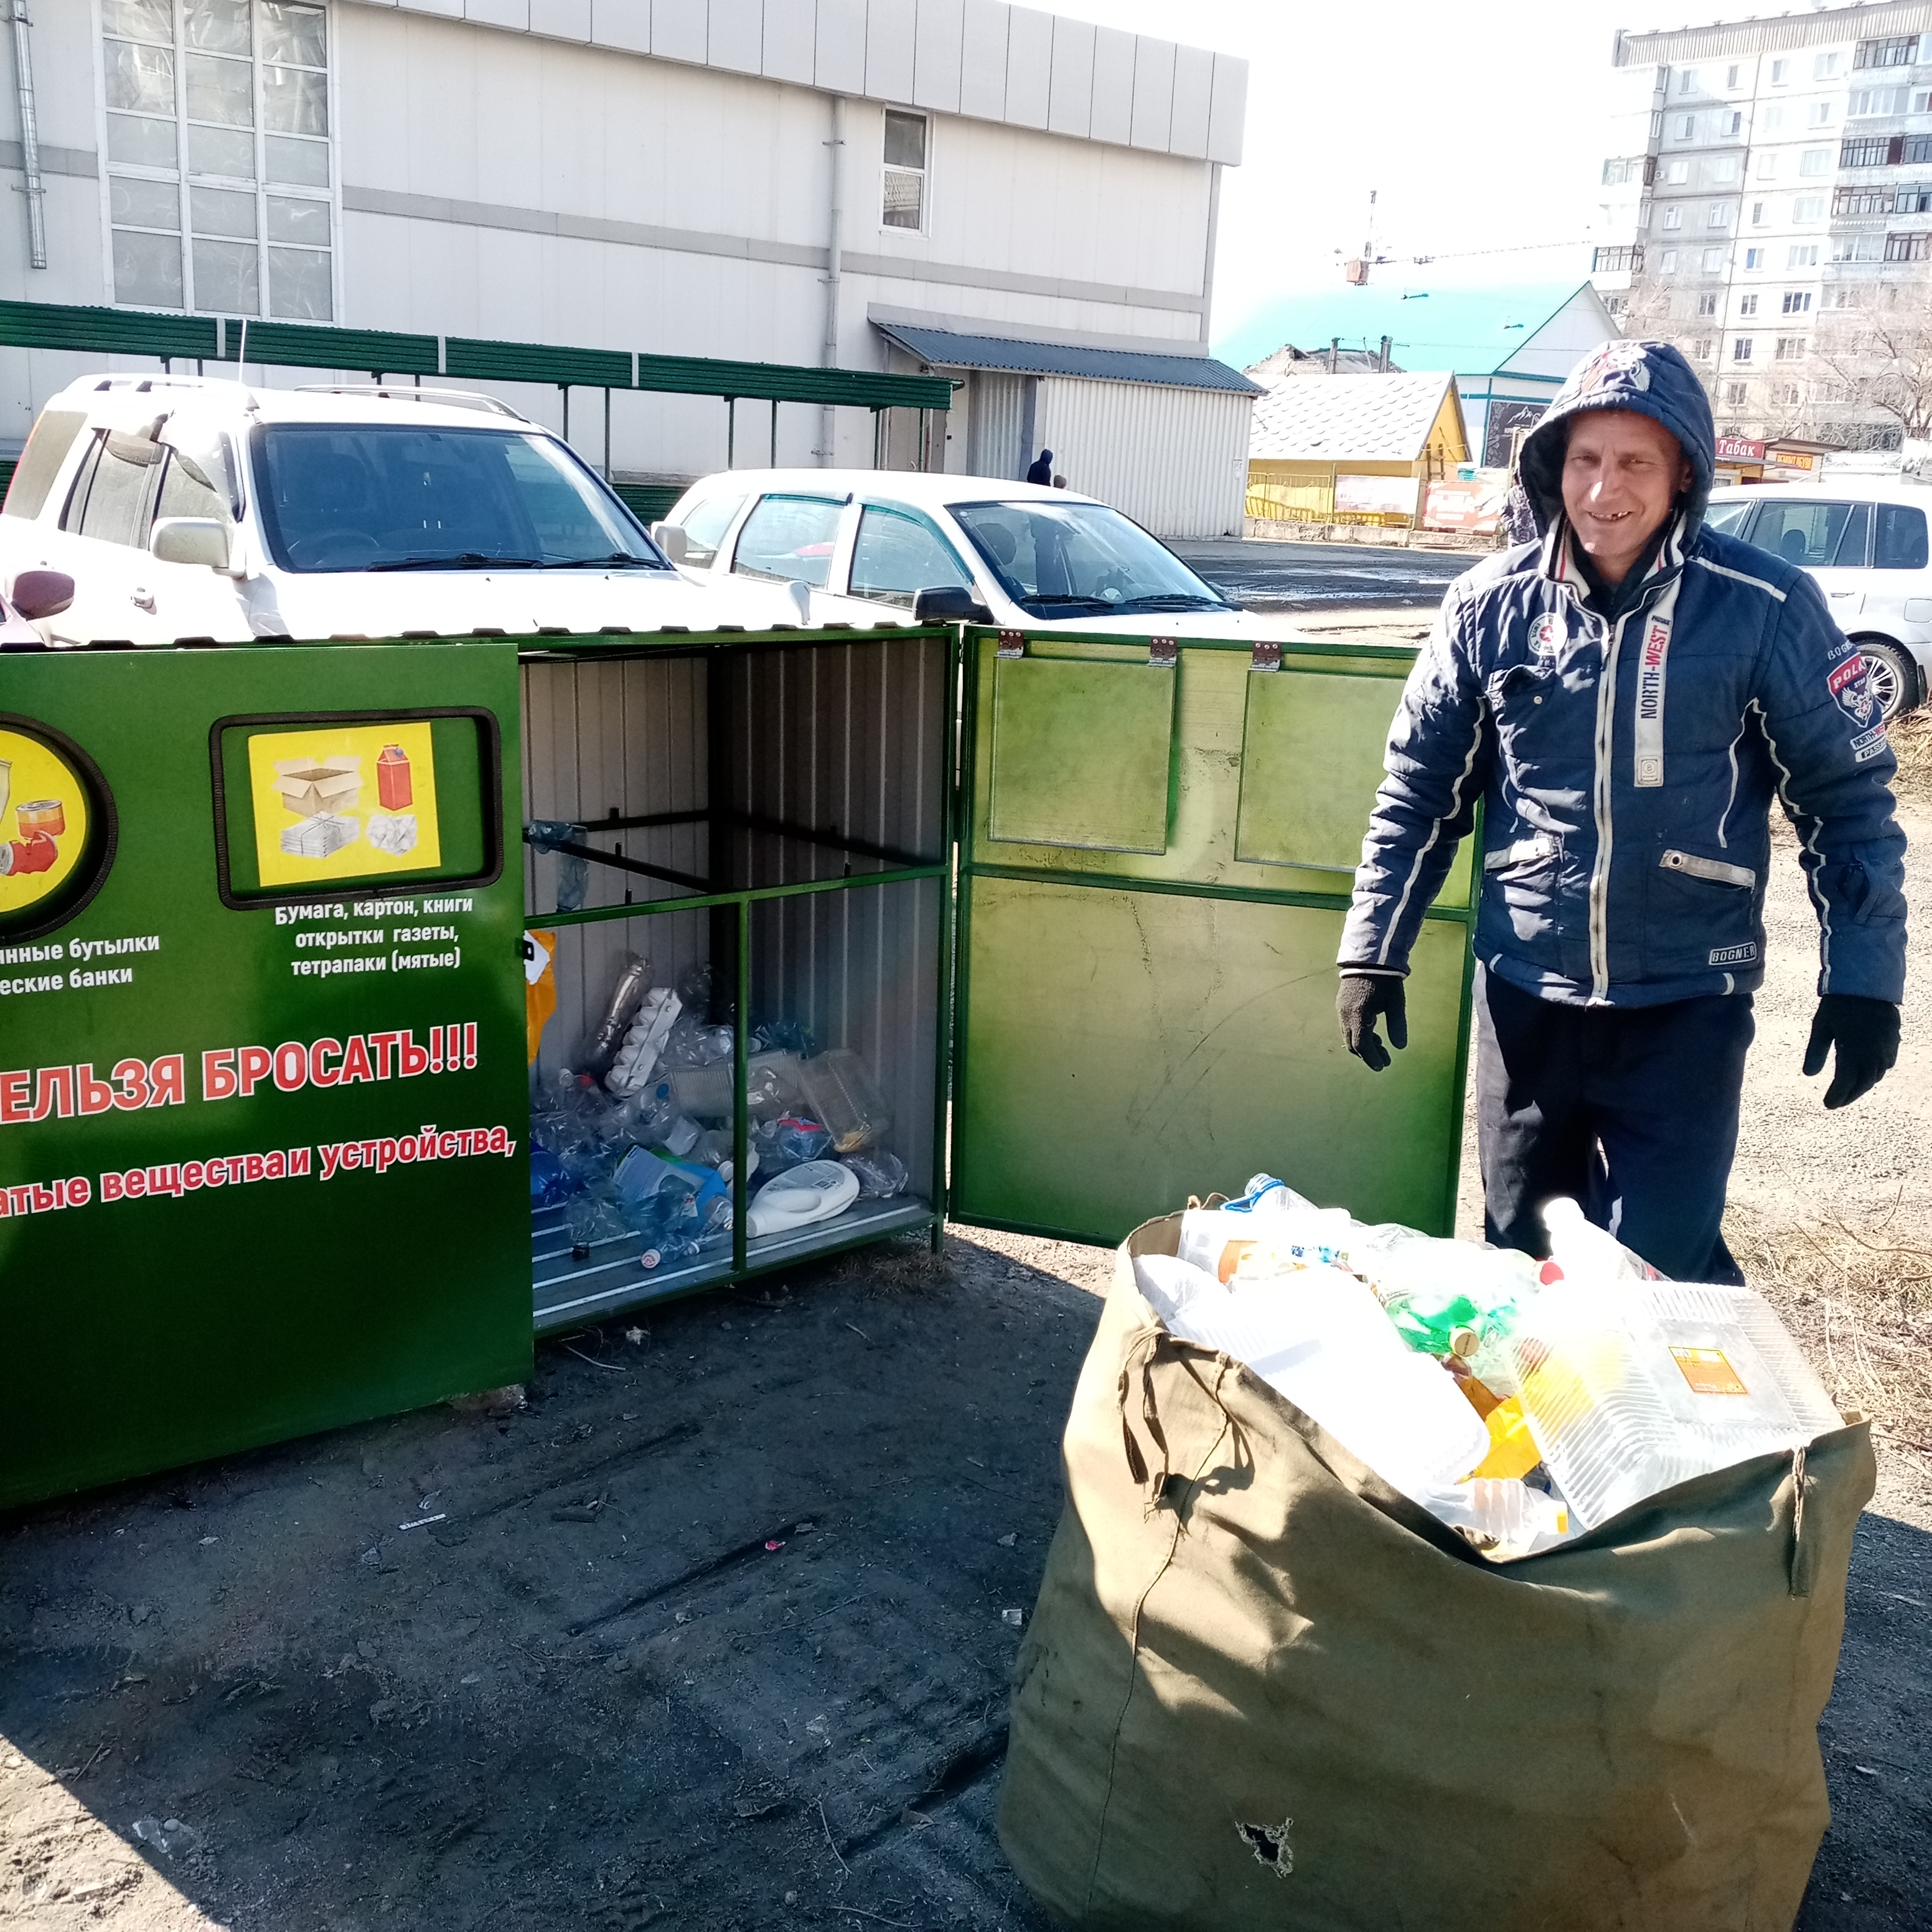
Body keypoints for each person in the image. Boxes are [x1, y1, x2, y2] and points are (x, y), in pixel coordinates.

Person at [1334, 338, 1906, 1282]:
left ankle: (1676, 1421)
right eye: (1586, 460)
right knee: (1523, 1263)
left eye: (1636, 461)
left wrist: (1864, 979)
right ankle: (1547, 1435)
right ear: (1553, 467)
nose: (1606, 490)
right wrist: (1372, 949)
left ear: (1684, 472)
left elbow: (1847, 805)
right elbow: (1419, 795)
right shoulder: (1487, 608)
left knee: (1658, 1275)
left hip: (1686, 1002)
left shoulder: (1765, 607)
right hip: (1528, 994)